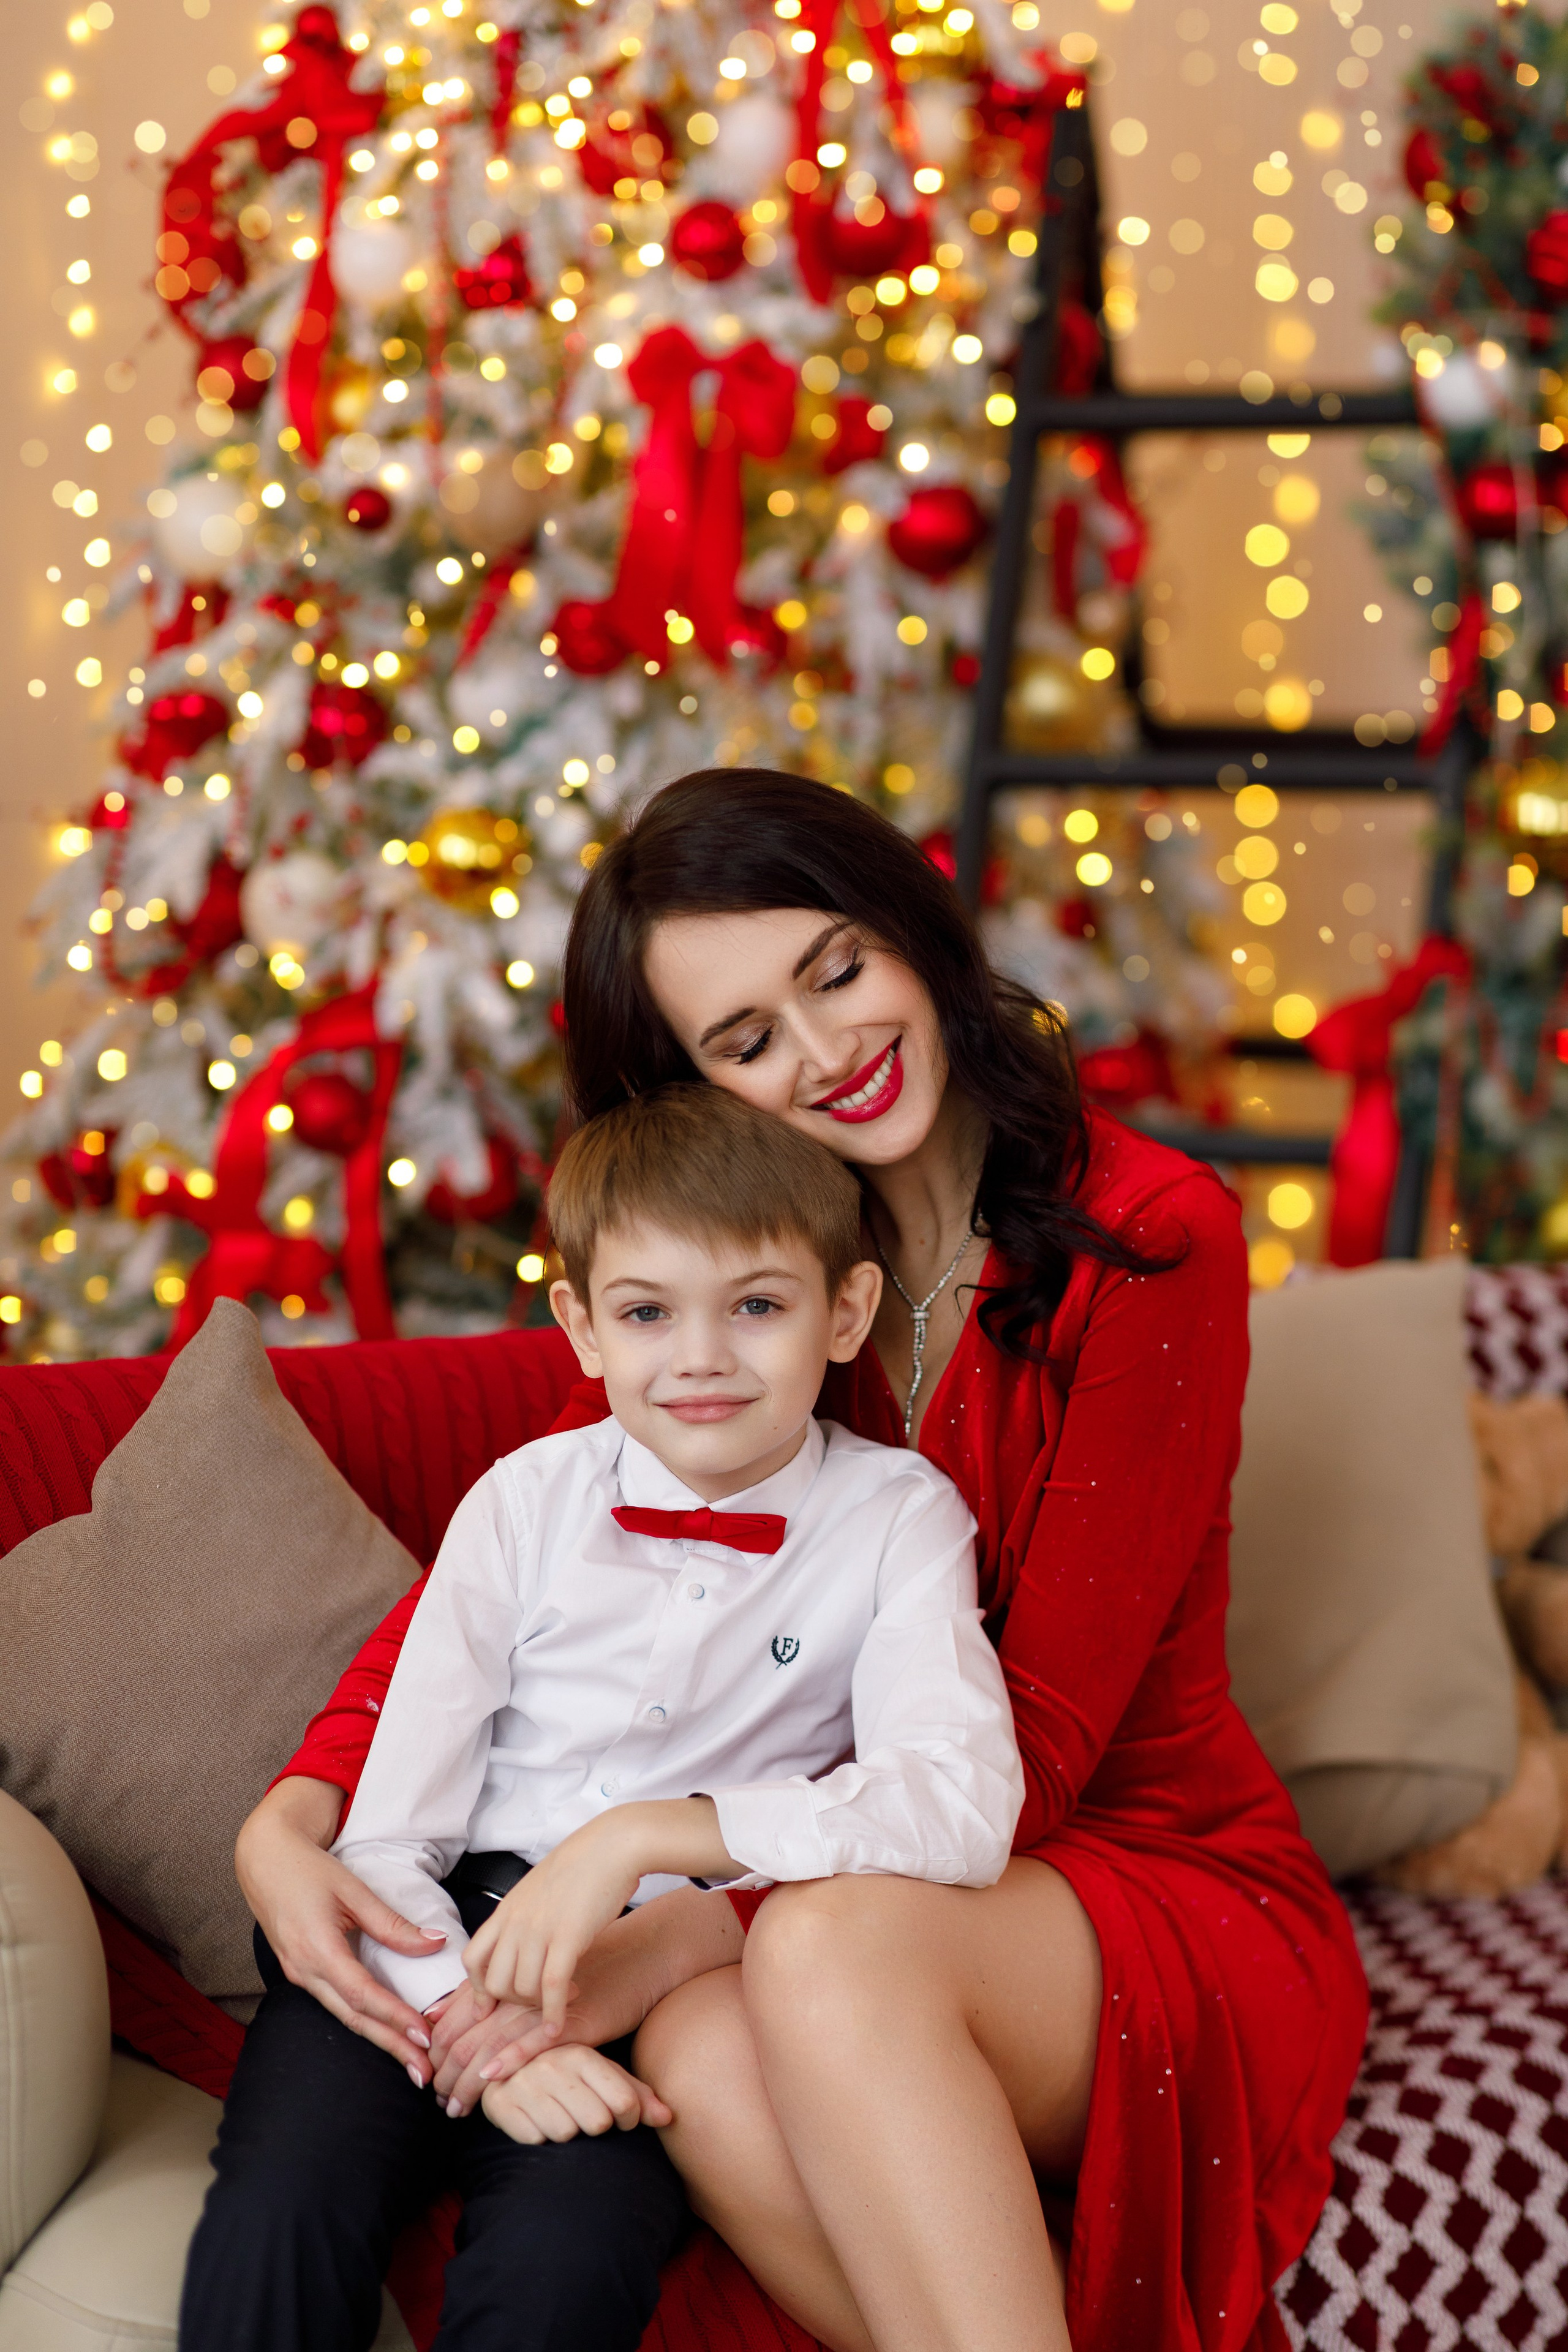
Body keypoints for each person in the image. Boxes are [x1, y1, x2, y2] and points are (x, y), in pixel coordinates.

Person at [236, 769, 1370, 2352]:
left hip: (1131, 1869)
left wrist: (665, 1878)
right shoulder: (745, 1279)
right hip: (839, 1868)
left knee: (802, 1956)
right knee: (699, 2042)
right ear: (688, 1092)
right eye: (749, 1039)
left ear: (908, 926)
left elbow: (1028, 1762)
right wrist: (296, 1814)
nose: (828, 1051)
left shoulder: (1154, 1239)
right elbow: (536, 1548)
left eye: (837, 970)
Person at [185, 1080, 1020, 2352]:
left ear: (844, 1313)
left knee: (570, 2266)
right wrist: (488, 2037)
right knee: (279, 2213)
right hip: (418, 1933)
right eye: (646, 1313)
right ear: (580, 1327)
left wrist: (654, 1833)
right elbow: (388, 1825)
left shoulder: (899, 1520)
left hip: (643, 1971)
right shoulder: (523, 1502)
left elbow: (958, 1807)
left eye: (756, 1306)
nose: (698, 1357)